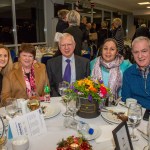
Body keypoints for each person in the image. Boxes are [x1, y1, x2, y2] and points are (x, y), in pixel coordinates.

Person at [121, 36, 150, 109]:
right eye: (136, 52)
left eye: (144, 51)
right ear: (132, 54)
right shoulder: (128, 73)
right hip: (136, 114)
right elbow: (126, 100)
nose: (140, 56)